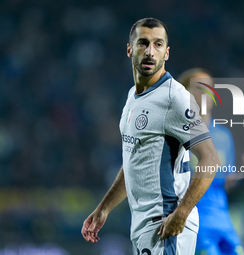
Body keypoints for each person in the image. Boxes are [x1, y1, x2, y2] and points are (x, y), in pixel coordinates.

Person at [81, 18, 220, 255]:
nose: (149, 52)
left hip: (167, 222)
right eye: (143, 43)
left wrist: (182, 213)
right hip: (143, 224)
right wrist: (104, 208)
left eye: (157, 45)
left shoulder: (175, 98)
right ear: (129, 49)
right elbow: (135, 162)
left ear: (166, 53)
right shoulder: (132, 98)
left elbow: (210, 159)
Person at [178, 68, 244, 255]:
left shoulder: (223, 135)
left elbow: (226, 182)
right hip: (194, 221)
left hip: (222, 219)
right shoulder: (177, 134)